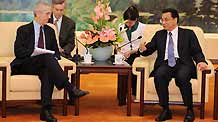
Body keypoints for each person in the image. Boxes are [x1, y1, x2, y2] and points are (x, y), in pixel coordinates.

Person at [10, 2, 88, 122]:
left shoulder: (50, 31)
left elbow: (56, 53)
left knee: (47, 70)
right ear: (37, 14)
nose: (49, 17)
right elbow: (18, 52)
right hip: (26, 64)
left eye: (49, 14)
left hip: (44, 64)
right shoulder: (23, 30)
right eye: (47, 14)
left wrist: (49, 55)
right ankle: (70, 88)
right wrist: (35, 51)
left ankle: (46, 111)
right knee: (46, 57)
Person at [139, 8, 208, 122]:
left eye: (166, 20)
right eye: (162, 20)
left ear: (175, 19)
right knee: (159, 75)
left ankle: (189, 109)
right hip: (165, 64)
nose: (163, 23)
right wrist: (143, 49)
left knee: (182, 77)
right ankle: (165, 110)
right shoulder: (159, 34)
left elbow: (197, 51)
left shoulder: (188, 34)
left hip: (183, 63)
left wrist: (201, 61)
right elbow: (149, 49)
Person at [118, 5, 146, 97]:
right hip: (124, 54)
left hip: (137, 53)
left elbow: (144, 45)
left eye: (131, 22)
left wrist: (131, 52)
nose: (128, 24)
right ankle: (122, 95)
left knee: (134, 67)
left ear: (136, 19)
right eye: (127, 22)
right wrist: (119, 51)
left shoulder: (143, 27)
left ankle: (134, 93)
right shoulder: (120, 27)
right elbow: (118, 42)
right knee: (121, 68)